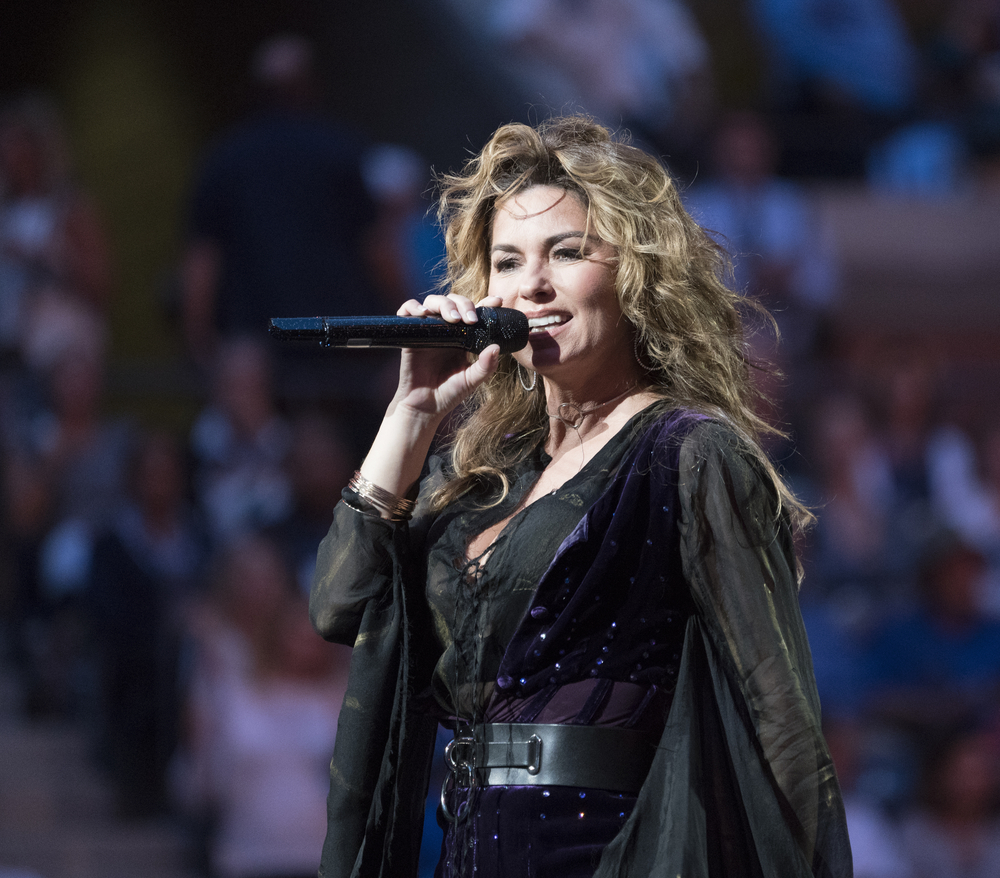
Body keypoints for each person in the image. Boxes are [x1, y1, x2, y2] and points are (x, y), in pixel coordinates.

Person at [308, 115, 852, 877]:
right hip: (470, 852)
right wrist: (412, 415)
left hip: (610, 854)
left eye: (566, 252)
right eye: (507, 261)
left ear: (636, 273)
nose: (531, 283)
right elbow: (339, 606)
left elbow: (780, 720)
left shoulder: (689, 453)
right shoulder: (480, 478)